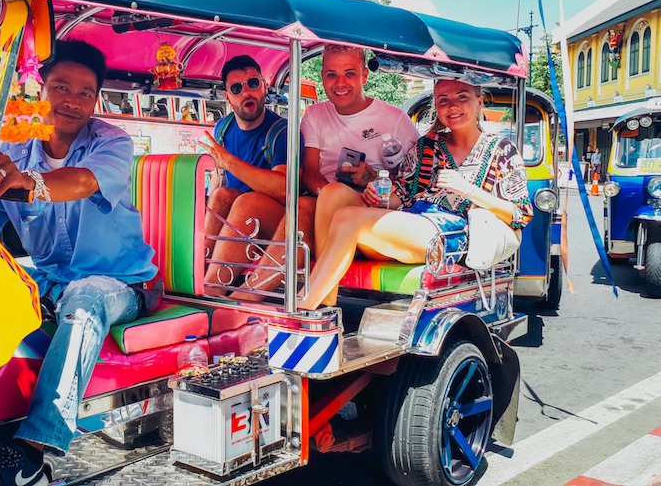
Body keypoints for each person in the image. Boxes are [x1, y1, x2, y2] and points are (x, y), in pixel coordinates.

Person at [0, 39, 157, 485]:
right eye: (61, 87)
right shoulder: (12, 147)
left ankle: (32, 450)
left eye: (85, 93)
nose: (72, 101)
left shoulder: (111, 142)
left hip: (118, 284)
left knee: (85, 299)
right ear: (39, 89)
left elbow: (80, 182)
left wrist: (27, 183)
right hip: (48, 277)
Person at [301, 79, 533, 309]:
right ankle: (326, 302)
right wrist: (378, 195)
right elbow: (400, 196)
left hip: (447, 233)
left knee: (348, 217)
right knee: (332, 193)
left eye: (462, 97)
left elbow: (520, 214)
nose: (452, 106)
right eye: (443, 100)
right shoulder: (427, 146)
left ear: (479, 102)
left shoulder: (501, 150)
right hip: (409, 222)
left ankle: (306, 306)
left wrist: (469, 190)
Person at [295, 44, 419, 303]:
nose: (340, 83)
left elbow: (412, 184)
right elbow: (310, 171)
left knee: (334, 195)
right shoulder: (315, 115)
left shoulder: (395, 120)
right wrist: (326, 193)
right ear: (321, 76)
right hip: (327, 210)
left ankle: (319, 304)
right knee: (307, 203)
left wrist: (373, 179)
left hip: (378, 219)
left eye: (349, 74)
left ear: (365, 76)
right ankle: (249, 298)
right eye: (331, 75)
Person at [199, 55, 308, 297]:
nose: (247, 92)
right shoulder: (224, 128)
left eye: (253, 84)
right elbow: (219, 179)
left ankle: (213, 290)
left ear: (264, 87)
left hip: (276, 223)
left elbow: (286, 189)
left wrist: (230, 162)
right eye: (237, 88)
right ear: (227, 97)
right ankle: (198, 278)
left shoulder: (283, 132)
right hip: (236, 220)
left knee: (247, 202)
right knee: (220, 196)